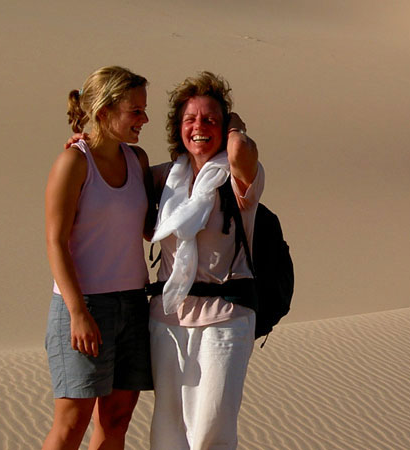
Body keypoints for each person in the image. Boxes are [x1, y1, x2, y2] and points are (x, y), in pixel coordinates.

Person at [146, 71, 263, 449]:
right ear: (177, 127)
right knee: (167, 428)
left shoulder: (238, 176)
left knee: (211, 428)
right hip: (167, 317)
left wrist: (235, 131)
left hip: (225, 317)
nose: (199, 127)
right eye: (190, 119)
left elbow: (242, 152)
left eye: (210, 119)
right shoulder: (163, 179)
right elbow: (112, 175)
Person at [42, 66, 155, 450]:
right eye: (135, 111)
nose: (144, 119)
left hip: (134, 306)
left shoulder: (137, 160)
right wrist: (78, 314)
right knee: (72, 424)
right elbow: (55, 242)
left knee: (116, 421)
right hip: (85, 307)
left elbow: (153, 226)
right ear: (105, 113)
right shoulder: (73, 163)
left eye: (144, 109)